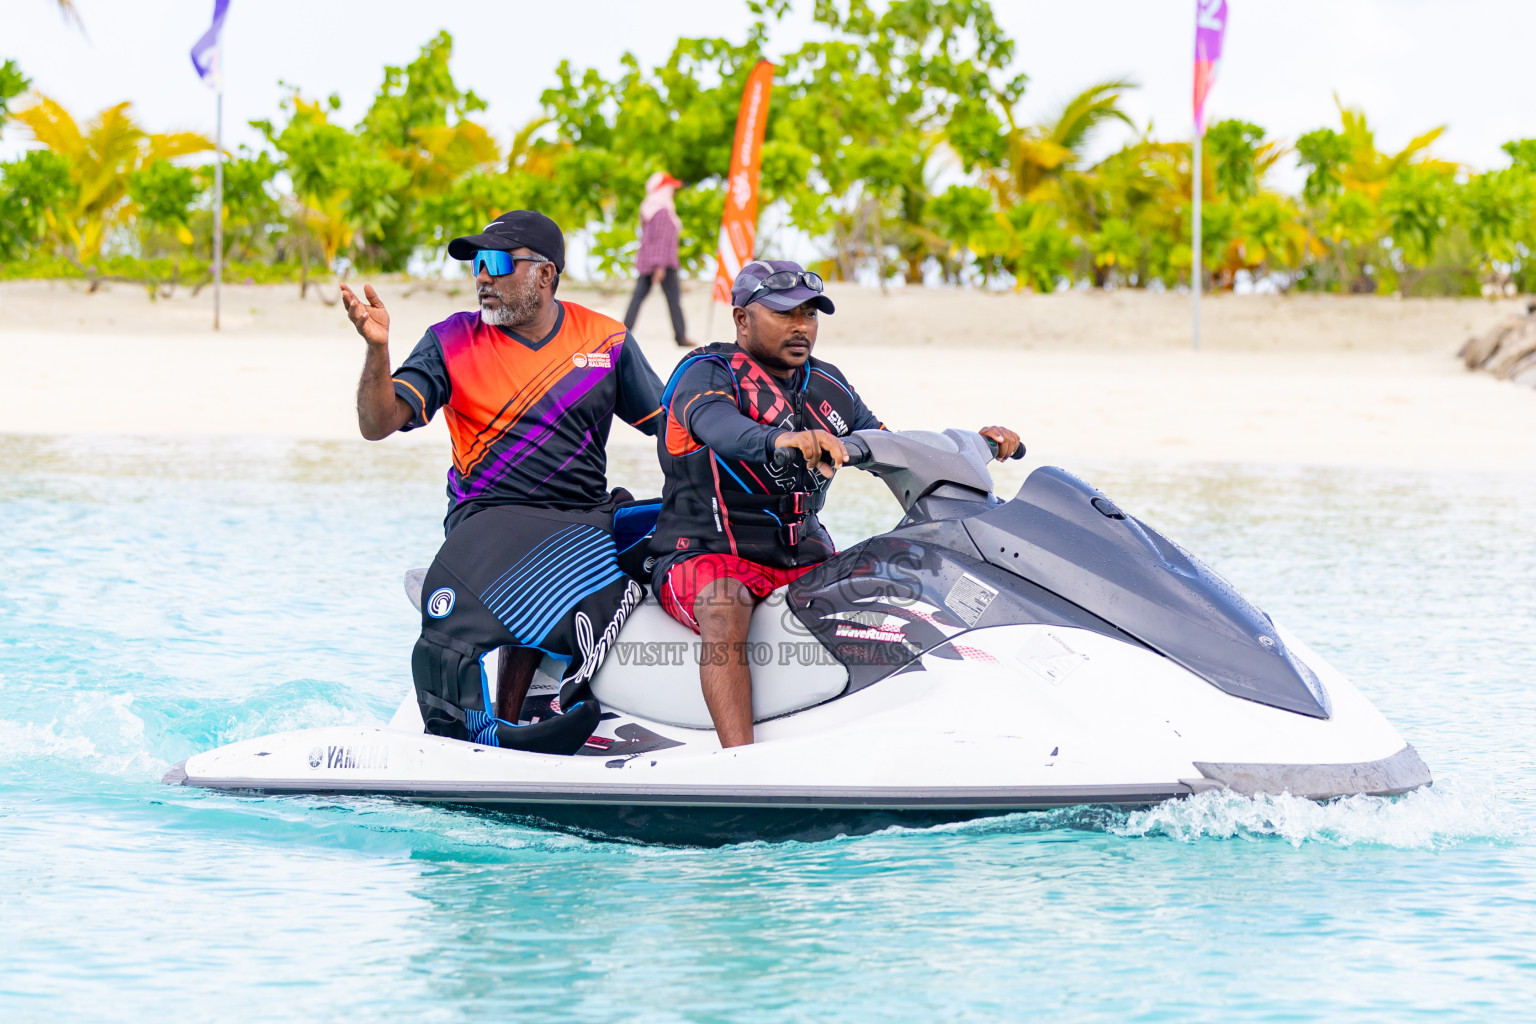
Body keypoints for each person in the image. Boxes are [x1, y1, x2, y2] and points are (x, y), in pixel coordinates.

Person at [648, 260, 1021, 747]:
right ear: (742, 319)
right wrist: (778, 441)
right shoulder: (704, 373)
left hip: (804, 559)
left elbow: (894, 447)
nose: (801, 327)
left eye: (809, 314)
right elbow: (722, 429)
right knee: (725, 605)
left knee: (901, 593)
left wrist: (976, 443)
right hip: (704, 555)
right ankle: (739, 763)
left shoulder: (830, 386)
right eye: (784, 314)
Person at [341, 210, 665, 754]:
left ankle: (579, 696)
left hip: (581, 516)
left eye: (494, 263)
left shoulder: (604, 340)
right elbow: (377, 424)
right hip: (487, 517)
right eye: (475, 265)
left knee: (683, 524)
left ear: (545, 274)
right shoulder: (452, 340)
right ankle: (474, 726)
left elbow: (672, 431)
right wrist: (377, 351)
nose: (481, 277)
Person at [623, 171, 691, 348]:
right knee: (673, 300)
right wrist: (659, 266)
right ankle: (681, 336)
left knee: (637, 297)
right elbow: (661, 240)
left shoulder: (649, 207)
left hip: (648, 260)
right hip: (663, 263)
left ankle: (623, 332)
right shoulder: (661, 210)